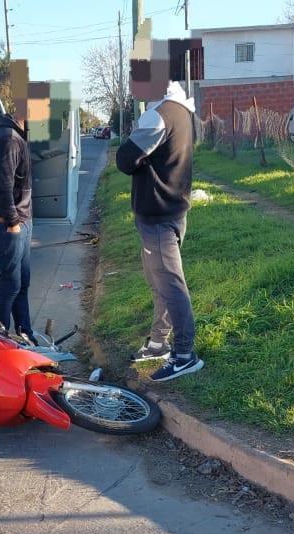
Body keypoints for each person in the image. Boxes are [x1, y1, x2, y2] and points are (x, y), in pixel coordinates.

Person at [115, 80, 204, 382]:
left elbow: (125, 160)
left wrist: (131, 145)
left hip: (158, 216)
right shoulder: (182, 109)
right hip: (171, 210)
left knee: (170, 284)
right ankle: (159, 343)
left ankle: (184, 354)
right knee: (161, 282)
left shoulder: (158, 115)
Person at [0, 113, 34, 343]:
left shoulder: (13, 135)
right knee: (11, 285)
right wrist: (12, 222)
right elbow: (2, 186)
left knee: (21, 284)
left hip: (19, 221)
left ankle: (26, 337)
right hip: (6, 224)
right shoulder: (8, 139)